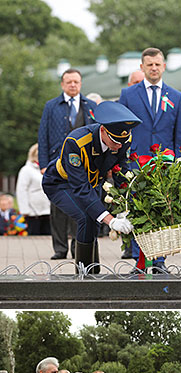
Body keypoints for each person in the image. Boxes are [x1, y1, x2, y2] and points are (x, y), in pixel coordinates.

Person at [42, 101, 140, 274]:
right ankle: (84, 274)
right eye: (115, 141)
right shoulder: (76, 142)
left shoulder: (122, 139)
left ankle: (94, 273)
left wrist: (125, 207)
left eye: (122, 142)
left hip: (92, 182)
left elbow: (122, 173)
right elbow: (80, 188)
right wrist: (111, 220)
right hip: (61, 183)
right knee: (85, 217)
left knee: (93, 221)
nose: (119, 146)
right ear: (103, 130)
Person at [119, 47, 181, 269]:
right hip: (137, 162)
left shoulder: (176, 96)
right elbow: (121, 131)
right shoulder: (128, 95)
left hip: (165, 164)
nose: (154, 68)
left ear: (164, 66)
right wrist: (122, 162)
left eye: (157, 64)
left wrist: (180, 161)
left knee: (162, 211)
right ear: (142, 67)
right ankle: (140, 261)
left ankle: (159, 260)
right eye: (149, 64)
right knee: (139, 210)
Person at [38, 68, 96, 259]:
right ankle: (60, 249)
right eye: (69, 82)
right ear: (62, 84)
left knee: (80, 205)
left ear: (81, 84)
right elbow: (43, 136)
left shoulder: (90, 105)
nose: (73, 85)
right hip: (56, 165)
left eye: (76, 82)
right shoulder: (51, 106)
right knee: (58, 209)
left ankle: (76, 248)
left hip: (83, 165)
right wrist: (44, 164)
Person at [15, 143, 50, 236]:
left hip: (48, 211)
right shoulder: (26, 170)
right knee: (34, 238)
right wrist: (25, 210)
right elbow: (21, 190)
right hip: (33, 213)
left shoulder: (49, 169)